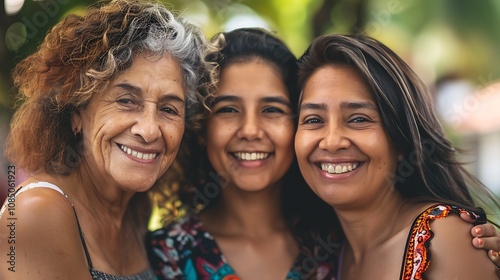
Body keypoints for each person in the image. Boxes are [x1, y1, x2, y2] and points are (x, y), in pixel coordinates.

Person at [146, 28, 500, 280]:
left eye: (272, 109)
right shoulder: (164, 255)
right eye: (227, 109)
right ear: (201, 128)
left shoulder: (338, 234)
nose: (251, 130)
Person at [0, 0, 214, 279]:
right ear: (76, 111)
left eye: (168, 109)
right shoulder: (37, 214)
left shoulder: (136, 207)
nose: (149, 130)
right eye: (126, 101)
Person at [294, 34, 500, 279]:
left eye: (358, 119)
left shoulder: (442, 239)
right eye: (314, 120)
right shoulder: (319, 257)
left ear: (401, 140)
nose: (332, 141)